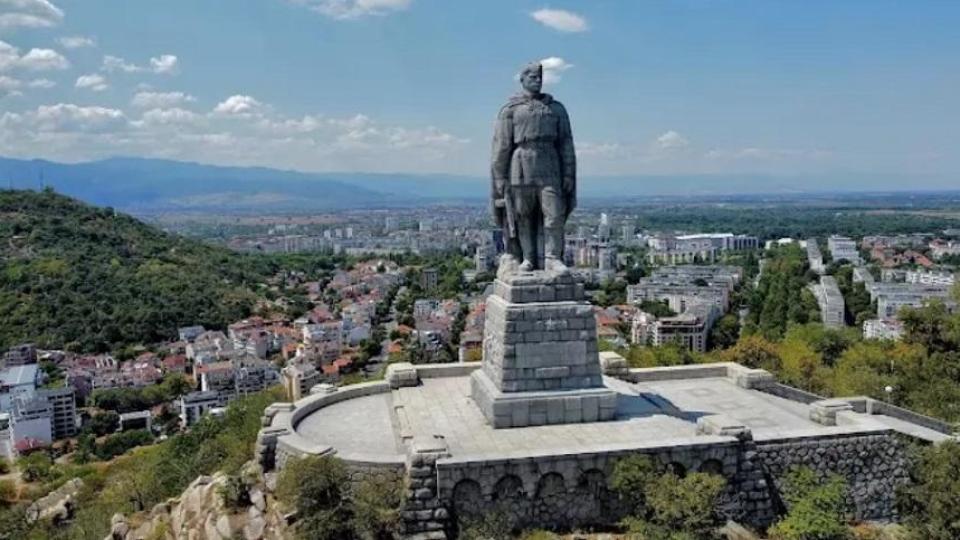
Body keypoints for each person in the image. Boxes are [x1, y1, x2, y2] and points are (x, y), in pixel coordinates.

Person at [490, 61, 576, 274]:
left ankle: (552, 257)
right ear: (522, 80)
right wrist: (499, 177)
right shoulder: (511, 109)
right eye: (532, 77)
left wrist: (569, 172)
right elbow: (502, 144)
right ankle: (527, 257)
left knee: (554, 214)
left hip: (550, 162)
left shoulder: (556, 109)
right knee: (523, 215)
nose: (537, 81)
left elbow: (566, 142)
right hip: (520, 165)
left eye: (540, 77)